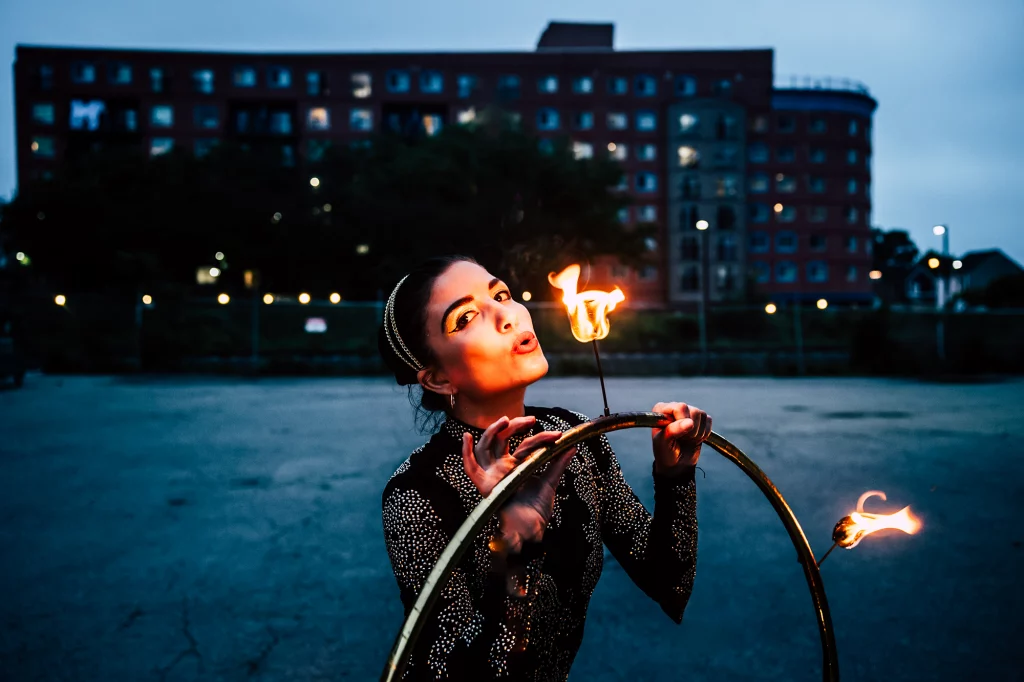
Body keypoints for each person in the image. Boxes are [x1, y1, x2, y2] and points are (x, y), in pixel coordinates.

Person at [380, 256, 711, 681]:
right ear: (438, 379)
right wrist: (514, 544)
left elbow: (669, 581)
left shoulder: (573, 437)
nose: (506, 314)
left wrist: (674, 476)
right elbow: (458, 669)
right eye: (465, 318)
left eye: (501, 294)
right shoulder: (415, 493)